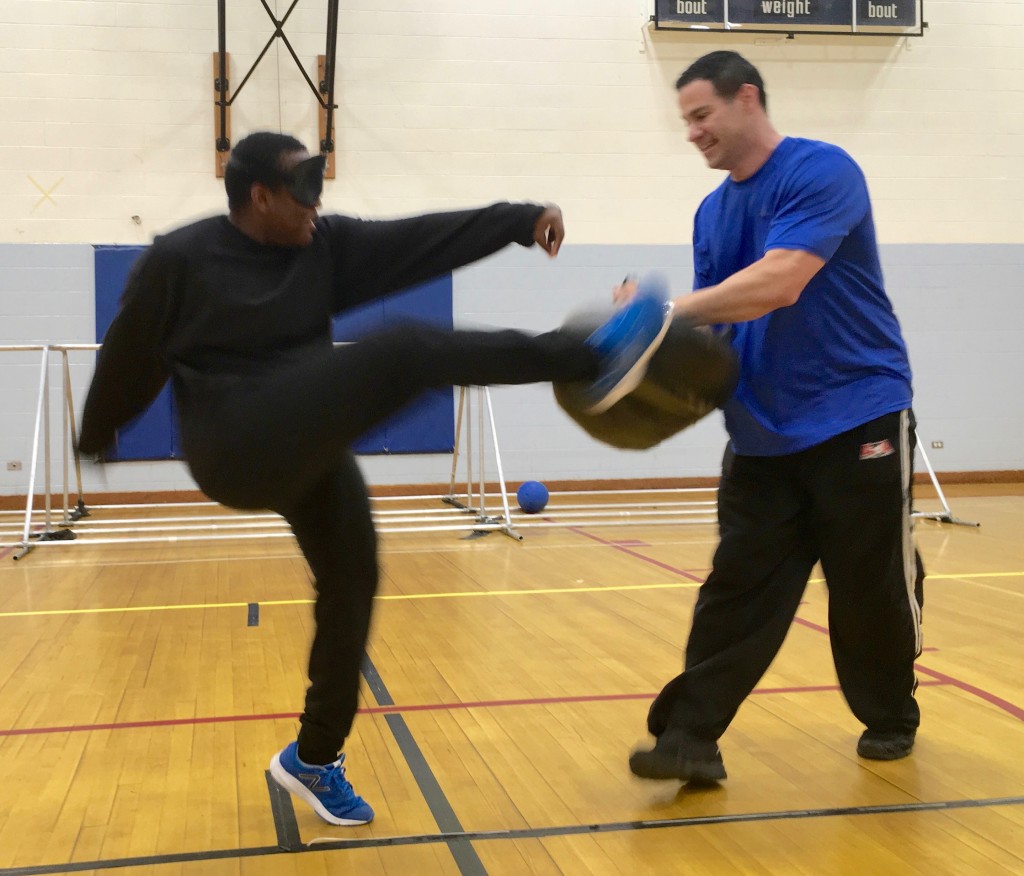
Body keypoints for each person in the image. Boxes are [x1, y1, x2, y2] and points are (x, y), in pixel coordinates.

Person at [77, 131, 670, 825]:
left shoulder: (321, 246)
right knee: (407, 349)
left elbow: (417, 241)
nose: (316, 205)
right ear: (259, 196)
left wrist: (515, 219)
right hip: (232, 440)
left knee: (354, 577)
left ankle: (313, 758)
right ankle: (585, 356)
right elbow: (129, 351)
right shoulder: (179, 259)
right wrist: (98, 431)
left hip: (305, 437)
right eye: (301, 192)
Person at [623, 51, 924, 784]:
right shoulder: (712, 210)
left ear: (747, 99)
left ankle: (890, 714)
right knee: (737, 584)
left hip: (857, 412)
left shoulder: (823, 171)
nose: (691, 133)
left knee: (865, 585)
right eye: (685, 120)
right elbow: (717, 323)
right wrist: (659, 376)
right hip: (761, 431)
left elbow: (782, 281)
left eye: (702, 115)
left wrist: (661, 312)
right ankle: (689, 736)